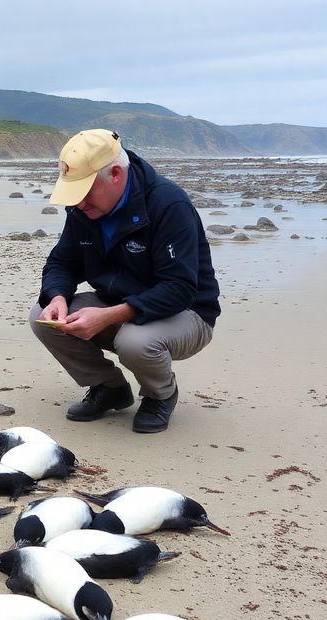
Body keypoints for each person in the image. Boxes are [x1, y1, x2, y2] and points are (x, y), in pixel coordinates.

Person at [30, 129, 220, 434]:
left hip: (188, 314)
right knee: (44, 319)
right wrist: (57, 298)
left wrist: (109, 315)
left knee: (134, 342)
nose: (78, 203)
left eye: (85, 191)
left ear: (115, 173)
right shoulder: (83, 210)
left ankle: (161, 395)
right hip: (118, 304)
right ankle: (110, 387)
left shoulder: (168, 205)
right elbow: (62, 262)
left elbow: (180, 289)